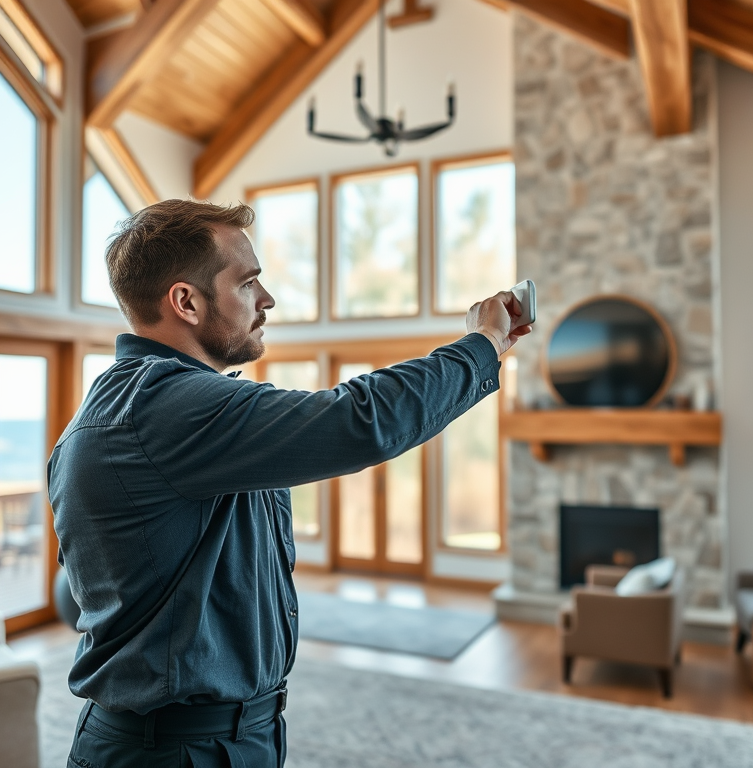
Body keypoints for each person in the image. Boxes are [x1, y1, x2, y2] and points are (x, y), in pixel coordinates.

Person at [48, 199, 533, 767]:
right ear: (186, 301)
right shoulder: (166, 406)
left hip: (220, 736)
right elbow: (357, 421)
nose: (268, 299)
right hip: (178, 750)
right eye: (249, 282)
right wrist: (483, 346)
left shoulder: (157, 405)